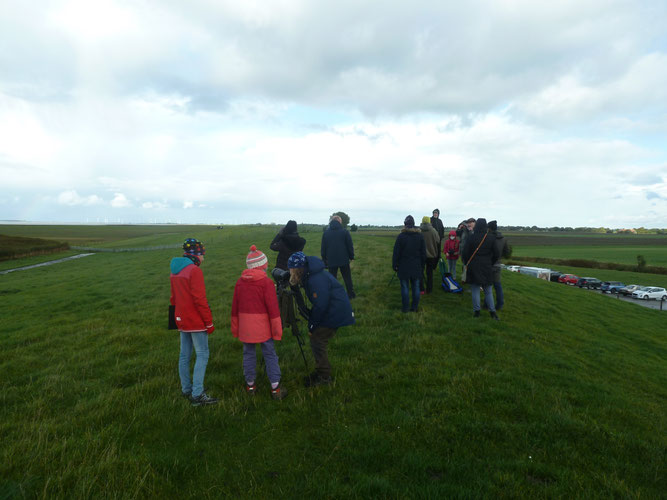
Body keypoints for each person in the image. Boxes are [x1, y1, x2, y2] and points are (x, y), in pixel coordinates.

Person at [287, 251, 355, 387]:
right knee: (317, 339)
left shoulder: (315, 279)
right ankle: (321, 372)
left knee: (317, 339)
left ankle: (324, 377)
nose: (290, 272)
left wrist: (312, 326)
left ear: (298, 269)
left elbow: (321, 305)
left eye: (291, 269)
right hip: (333, 309)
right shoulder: (310, 274)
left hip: (335, 311)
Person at [231, 245, 287, 400]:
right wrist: (277, 331)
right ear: (263, 266)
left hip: (245, 327)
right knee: (269, 354)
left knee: (248, 354)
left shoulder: (240, 283)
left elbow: (234, 307)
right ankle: (275, 388)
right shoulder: (267, 283)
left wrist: (235, 328)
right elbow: (274, 310)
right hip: (263, 327)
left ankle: (250, 385)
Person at [170, 238, 217, 406]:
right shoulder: (194, 271)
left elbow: (173, 298)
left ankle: (186, 390)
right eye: (202, 255)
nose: (203, 258)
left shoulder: (174, 270)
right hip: (196, 321)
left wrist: (174, 321)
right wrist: (209, 323)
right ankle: (197, 394)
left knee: (184, 355)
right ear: (196, 255)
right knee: (202, 355)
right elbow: (200, 300)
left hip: (181, 320)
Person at [461, 218, 500, 320]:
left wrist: (466, 263)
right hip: (487, 266)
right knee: (488, 291)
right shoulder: (491, 238)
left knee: (475, 290)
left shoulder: (471, 237)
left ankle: (477, 312)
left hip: (474, 266)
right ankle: (493, 312)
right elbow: (497, 254)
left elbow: (465, 253)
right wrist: (490, 262)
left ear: (477, 225)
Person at [392, 215, 426, 313]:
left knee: (405, 287)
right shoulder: (420, 236)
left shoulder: (401, 237)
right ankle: (414, 307)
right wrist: (422, 265)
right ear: (413, 225)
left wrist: (395, 265)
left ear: (405, 225)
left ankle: (405, 308)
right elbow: (423, 253)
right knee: (416, 287)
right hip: (416, 266)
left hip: (404, 266)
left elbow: (396, 253)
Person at [321, 215, 356, 298]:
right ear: (339, 221)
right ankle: (351, 294)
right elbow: (349, 245)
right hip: (343, 260)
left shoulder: (326, 233)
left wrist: (324, 260)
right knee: (347, 278)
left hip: (331, 260)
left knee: (332, 279)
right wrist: (351, 256)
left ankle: (333, 295)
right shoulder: (345, 232)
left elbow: (323, 248)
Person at [488, 220, 510, 311]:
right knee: (497, 285)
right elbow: (507, 252)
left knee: (487, 286)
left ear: (489, 228)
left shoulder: (489, 237)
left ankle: (486, 304)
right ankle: (500, 304)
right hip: (498, 264)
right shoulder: (503, 239)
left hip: (489, 263)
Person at [419, 216, 440, 294]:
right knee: (429, 273)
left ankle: (421, 289)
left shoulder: (419, 231)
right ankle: (429, 289)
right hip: (431, 255)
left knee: (420, 272)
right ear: (429, 222)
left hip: (421, 255)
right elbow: (438, 241)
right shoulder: (434, 231)